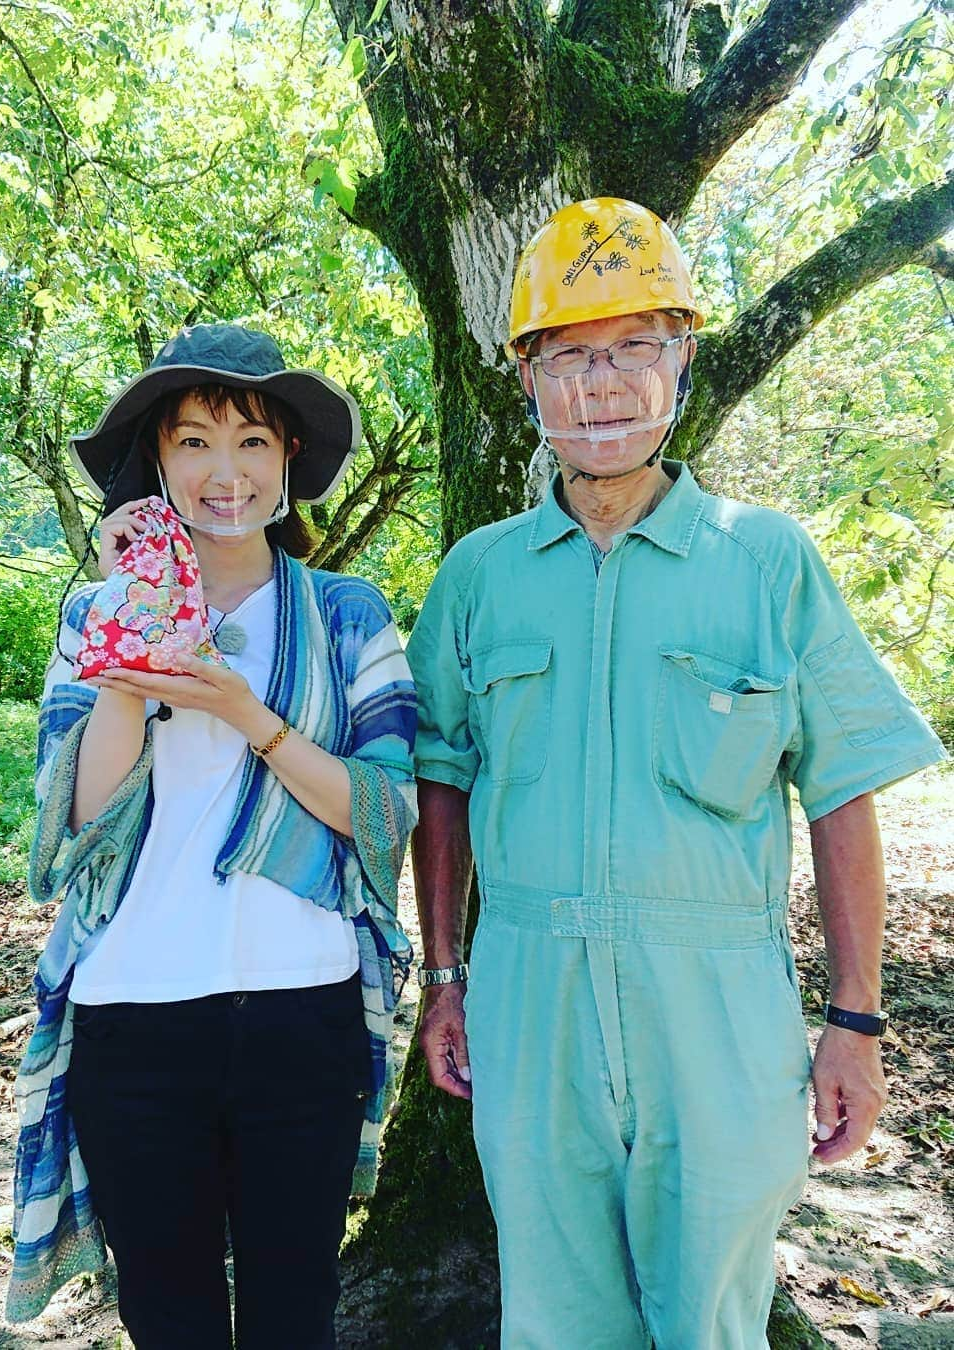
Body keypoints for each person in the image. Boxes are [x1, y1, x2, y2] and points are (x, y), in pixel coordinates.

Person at [405, 198, 945, 1348]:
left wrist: (856, 1020)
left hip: (721, 1007)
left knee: (710, 1321)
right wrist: (444, 975)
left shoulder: (765, 559)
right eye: (568, 356)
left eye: (634, 349)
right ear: (527, 379)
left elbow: (844, 789)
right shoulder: (479, 576)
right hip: (528, 1000)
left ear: (682, 361)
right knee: (553, 1320)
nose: (602, 387)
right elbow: (440, 783)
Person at [5, 323, 418, 1350]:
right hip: (135, 1019)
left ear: (286, 464)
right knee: (169, 1317)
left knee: (293, 1318)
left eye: (251, 442)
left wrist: (245, 713)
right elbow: (76, 824)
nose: (222, 472)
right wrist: (128, 647)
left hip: (302, 1014)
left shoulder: (346, 614)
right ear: (156, 462)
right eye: (192, 442)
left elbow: (386, 808)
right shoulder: (96, 614)